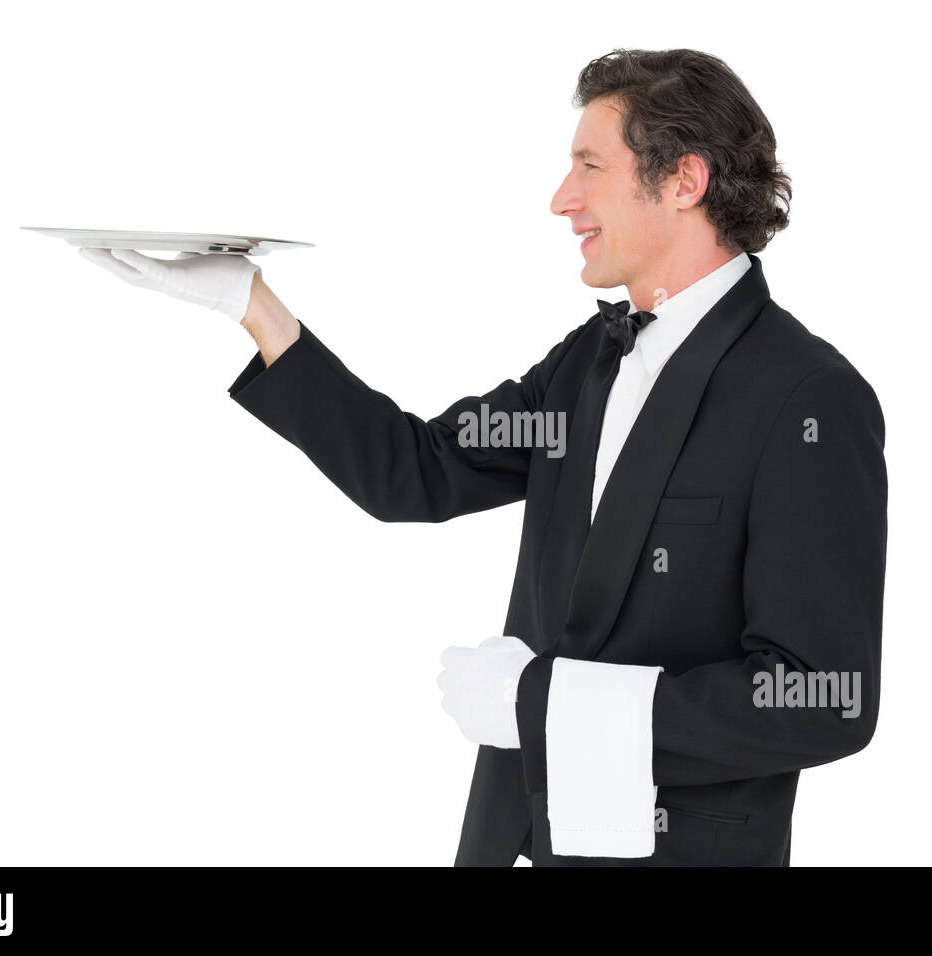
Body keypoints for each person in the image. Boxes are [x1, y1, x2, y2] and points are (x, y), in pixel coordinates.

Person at [80, 47, 887, 867]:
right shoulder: (589, 362)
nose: (561, 199)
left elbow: (824, 702)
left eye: (589, 166)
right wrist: (252, 307)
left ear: (684, 180)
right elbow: (417, 470)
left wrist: (542, 705)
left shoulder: (810, 400)